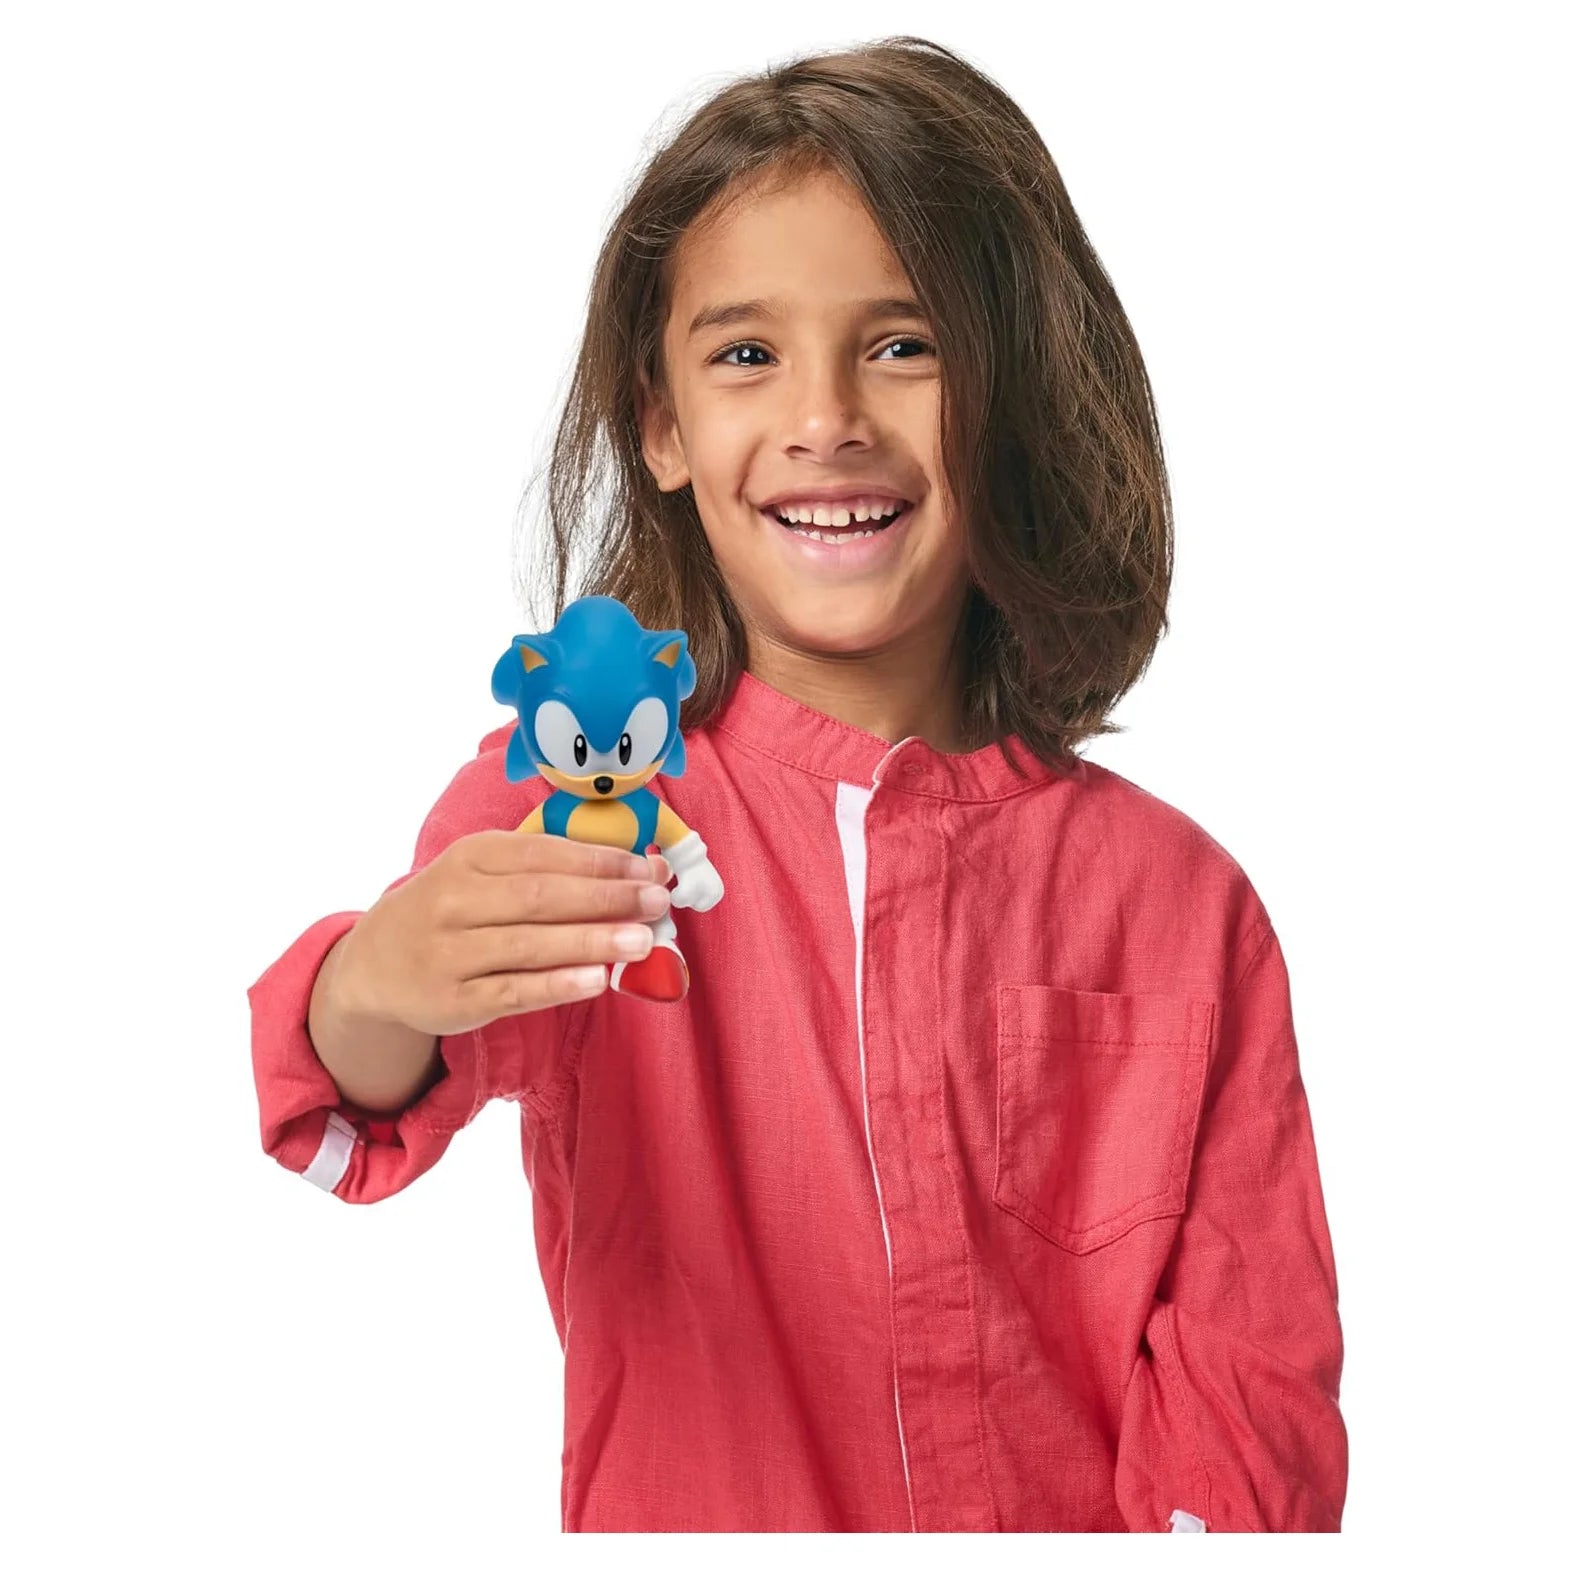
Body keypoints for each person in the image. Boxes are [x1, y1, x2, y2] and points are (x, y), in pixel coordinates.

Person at [247, 36, 1347, 1533]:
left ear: (1016, 398)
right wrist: (383, 977)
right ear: (662, 425)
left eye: (905, 345)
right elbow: (362, 1078)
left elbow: (1250, 1385)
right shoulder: (574, 813)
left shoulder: (1180, 904)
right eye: (747, 355)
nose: (826, 417)